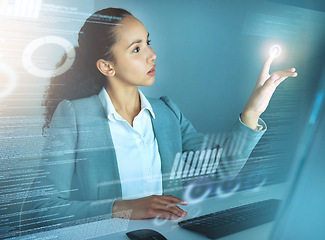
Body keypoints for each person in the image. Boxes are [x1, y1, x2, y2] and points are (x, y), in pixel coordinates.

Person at [22, 7, 297, 228]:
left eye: (148, 43)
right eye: (137, 49)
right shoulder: (75, 116)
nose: (153, 55)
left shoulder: (167, 112)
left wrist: (252, 111)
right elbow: (43, 208)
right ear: (107, 66)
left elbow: (221, 170)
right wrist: (127, 208)